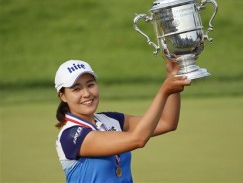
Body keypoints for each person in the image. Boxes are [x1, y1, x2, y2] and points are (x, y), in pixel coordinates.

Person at [54, 59, 191, 183]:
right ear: (63, 96)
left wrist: (172, 77)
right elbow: (138, 139)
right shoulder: (70, 136)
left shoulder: (111, 120)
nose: (86, 93)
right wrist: (164, 91)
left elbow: (167, 122)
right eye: (76, 89)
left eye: (90, 85)